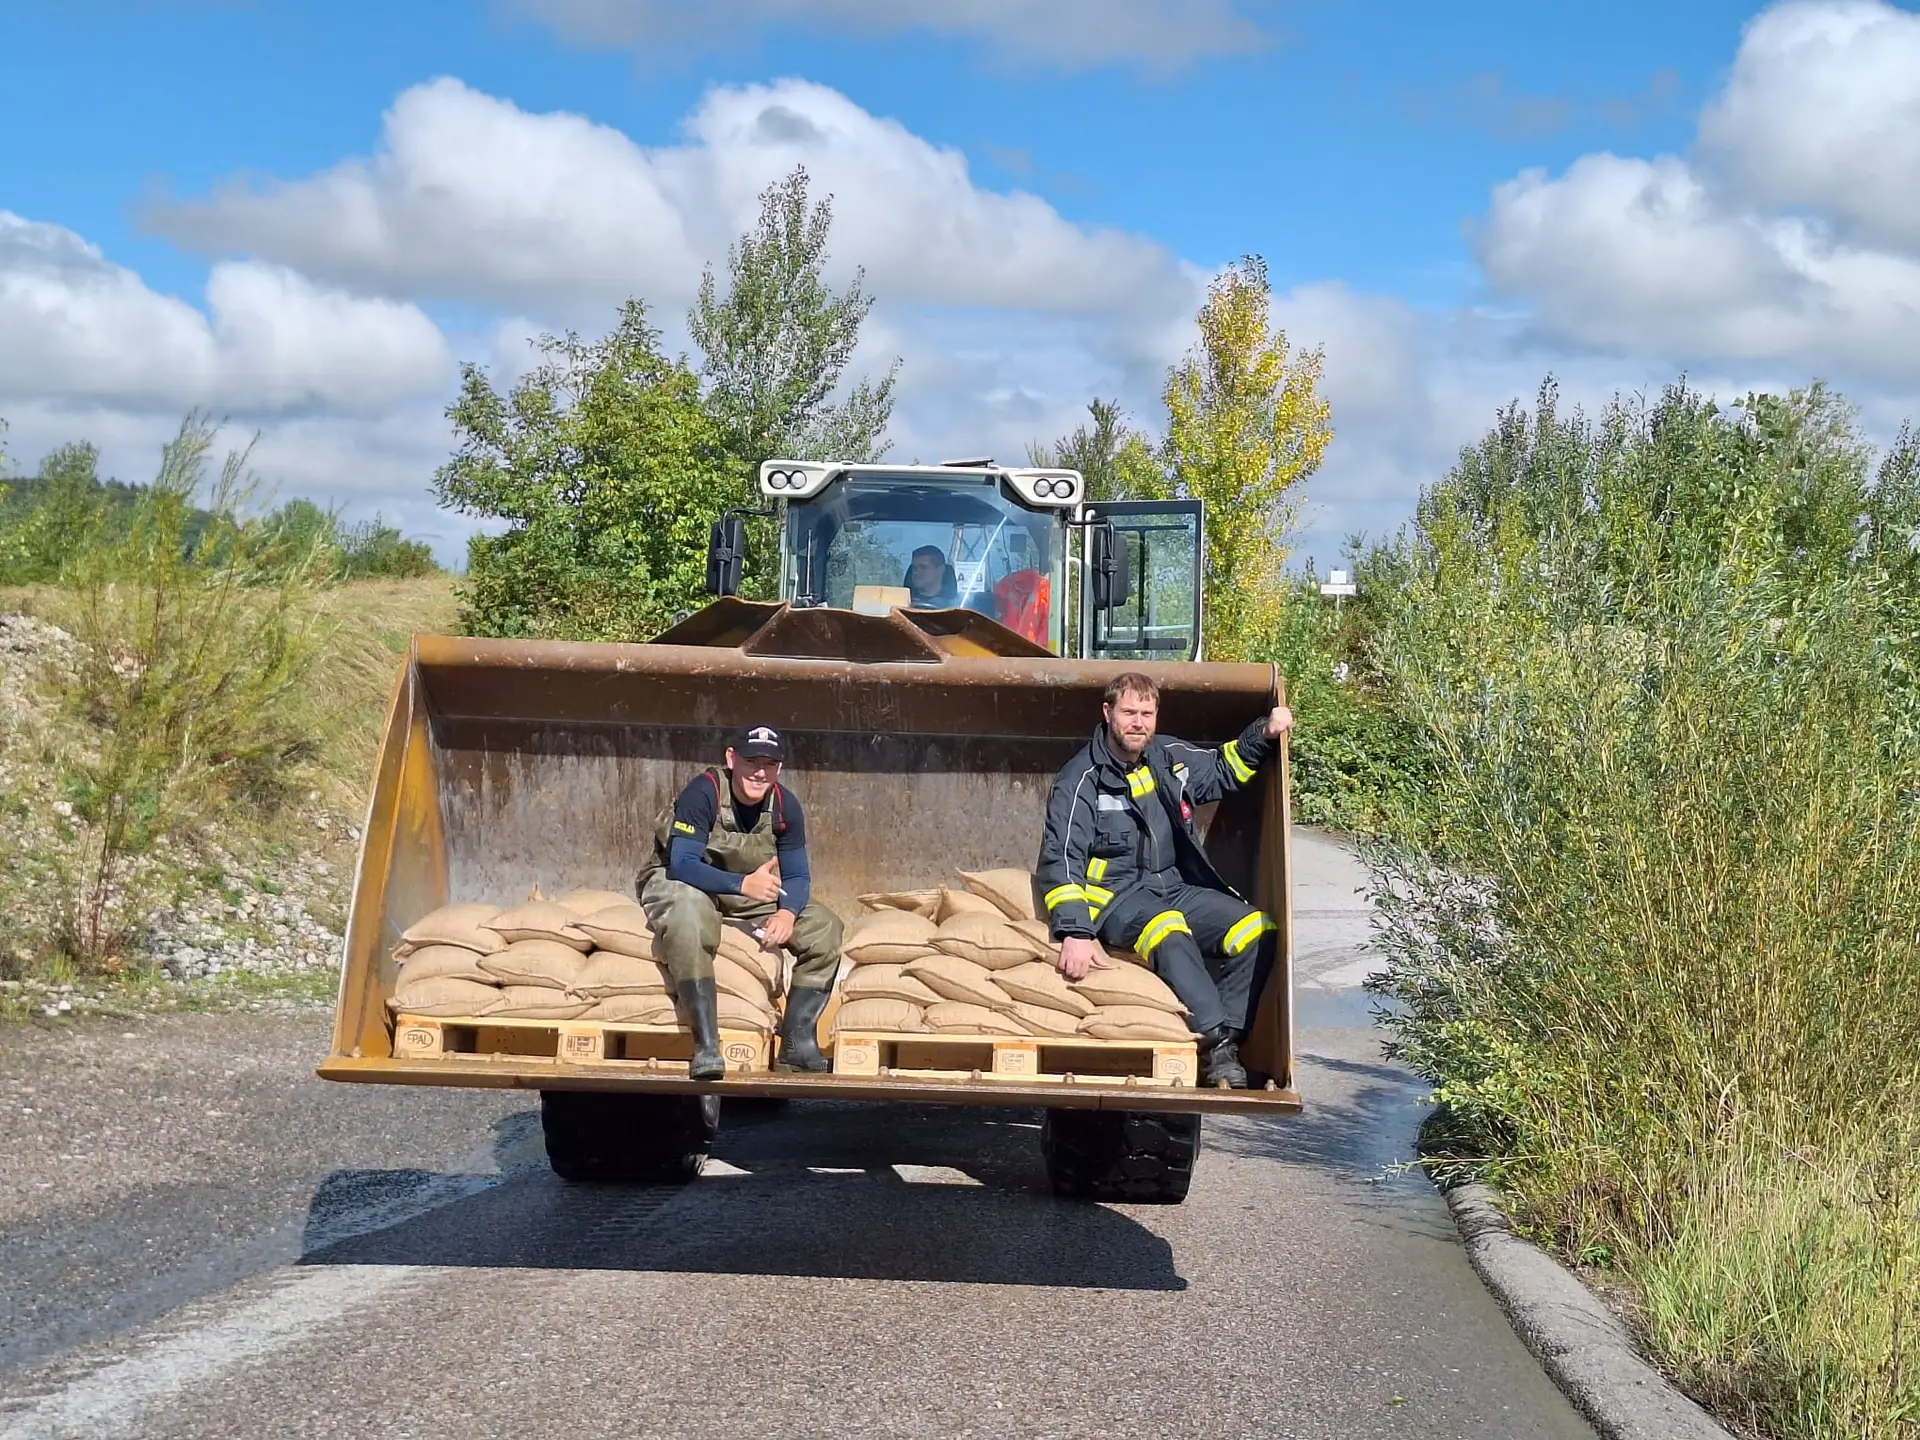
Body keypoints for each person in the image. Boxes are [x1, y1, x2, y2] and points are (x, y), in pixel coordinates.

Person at [1034, 673, 1293, 1088]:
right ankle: (1217, 1045)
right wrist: (1076, 931)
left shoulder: (1167, 756)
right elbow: (1060, 859)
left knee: (1256, 929)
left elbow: (1222, 769)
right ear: (1107, 713)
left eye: (1147, 713)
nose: (1138, 723)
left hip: (1171, 887)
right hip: (1115, 899)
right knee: (1168, 928)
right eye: (1129, 713)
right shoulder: (1080, 779)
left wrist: (1263, 733)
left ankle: (1225, 1040)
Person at [637, 725, 844, 1078]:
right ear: (731, 759)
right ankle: (706, 1046)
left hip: (748, 891)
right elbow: (682, 863)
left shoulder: (785, 806)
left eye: (769, 764)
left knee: (824, 928)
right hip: (684, 882)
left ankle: (796, 1045)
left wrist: (788, 913)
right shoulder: (703, 792)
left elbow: (797, 875)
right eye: (751, 762)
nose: (759, 772)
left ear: (779, 768)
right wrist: (742, 883)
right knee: (690, 915)